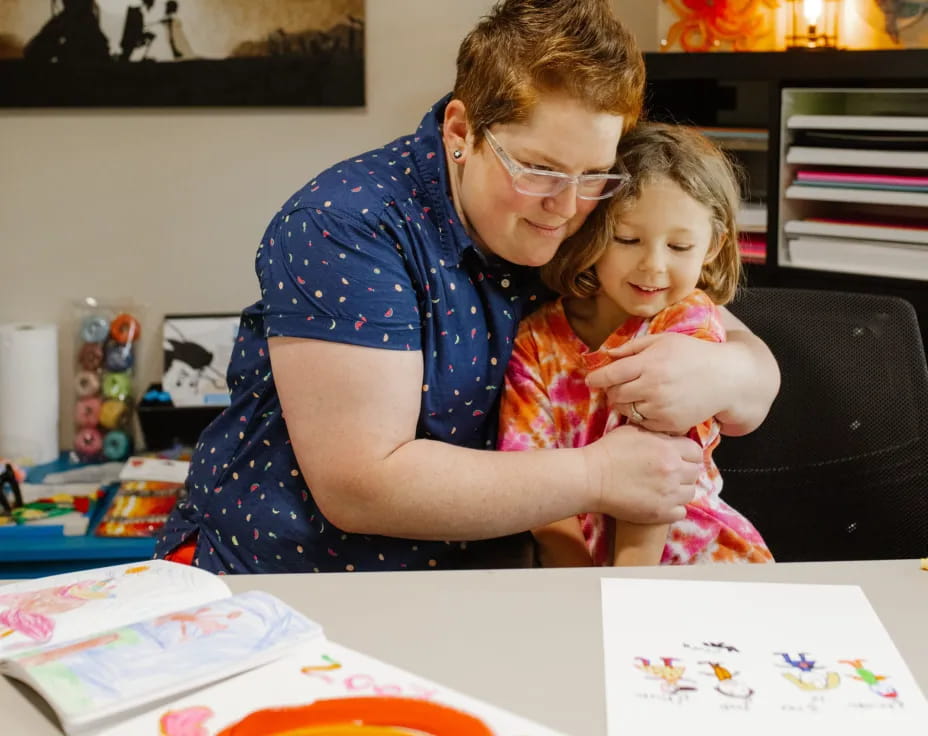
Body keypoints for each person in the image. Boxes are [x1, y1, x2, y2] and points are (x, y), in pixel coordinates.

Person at [154, 0, 779, 575]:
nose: (564, 207)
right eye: (539, 168)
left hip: (488, 578)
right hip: (289, 574)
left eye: (594, 173)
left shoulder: (592, 211)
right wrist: (598, 475)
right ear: (461, 132)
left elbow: (727, 346)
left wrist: (723, 374)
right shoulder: (345, 225)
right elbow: (361, 486)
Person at [499, 122, 774, 568]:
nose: (654, 266)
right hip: (584, 577)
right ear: (593, 234)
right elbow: (536, 491)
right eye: (627, 239)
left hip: (699, 564)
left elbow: (656, 479)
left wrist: (624, 595)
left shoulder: (688, 323)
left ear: (711, 247)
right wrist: (581, 588)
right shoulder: (535, 342)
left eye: (680, 246)